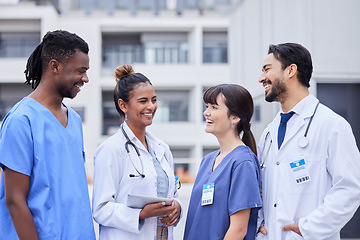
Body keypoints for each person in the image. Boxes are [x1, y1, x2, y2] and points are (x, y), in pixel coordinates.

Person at [256, 43, 360, 240]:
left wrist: (307, 228)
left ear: (291, 71)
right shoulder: (269, 133)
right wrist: (260, 222)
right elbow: (261, 189)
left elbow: (349, 189)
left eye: (267, 69)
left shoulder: (332, 125)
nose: (261, 78)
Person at [0, 30, 95, 239]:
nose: (85, 78)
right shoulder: (21, 121)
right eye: (81, 70)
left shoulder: (75, 121)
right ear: (55, 66)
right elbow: (14, 200)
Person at [92, 64, 182, 240]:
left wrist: (177, 207)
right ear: (123, 105)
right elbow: (100, 209)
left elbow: (172, 194)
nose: (151, 106)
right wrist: (140, 214)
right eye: (143, 101)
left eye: (154, 100)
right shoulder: (111, 149)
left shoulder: (162, 149)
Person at [184, 84, 262, 240]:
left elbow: (238, 230)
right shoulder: (207, 161)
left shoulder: (243, 162)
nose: (206, 112)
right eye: (207, 107)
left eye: (214, 107)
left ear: (235, 117)